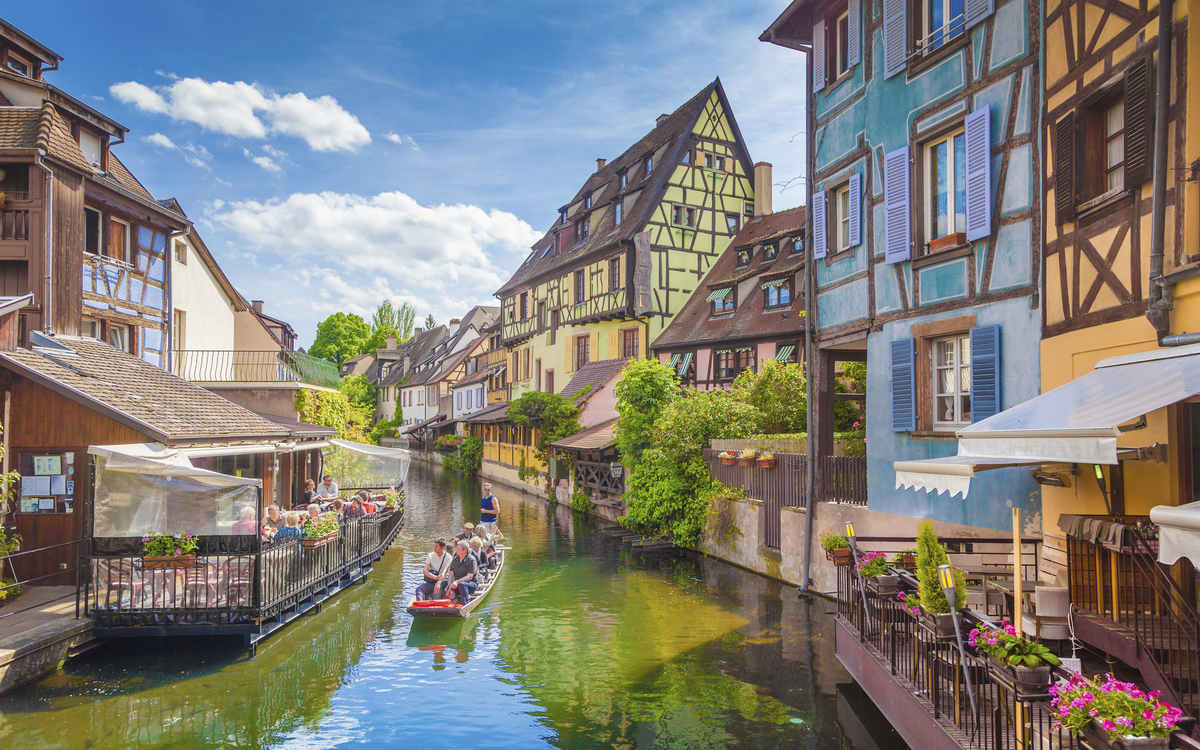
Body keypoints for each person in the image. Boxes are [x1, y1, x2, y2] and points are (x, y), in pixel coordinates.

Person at [446, 540, 478, 605]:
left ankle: (464, 604)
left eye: (458, 548)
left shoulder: (471, 559)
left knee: (462, 585)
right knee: (444, 584)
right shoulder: (455, 559)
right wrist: (449, 586)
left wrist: (457, 581)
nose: (456, 550)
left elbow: (469, 577)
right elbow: (451, 574)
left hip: (470, 584)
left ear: (464, 550)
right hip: (456, 584)